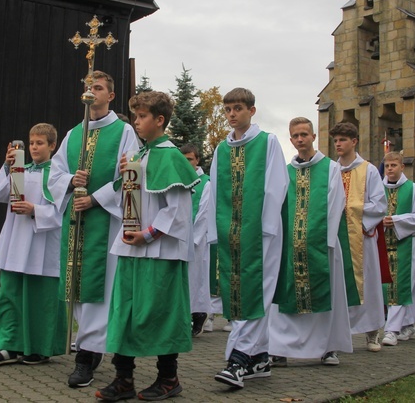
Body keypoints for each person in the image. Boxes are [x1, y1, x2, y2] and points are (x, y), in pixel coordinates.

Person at [96, 91, 199, 401]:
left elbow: (179, 212)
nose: (137, 122)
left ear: (160, 120)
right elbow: (124, 199)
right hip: (131, 249)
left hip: (160, 252)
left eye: (141, 117)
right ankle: (123, 378)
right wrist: (127, 173)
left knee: (159, 313)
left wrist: (148, 234)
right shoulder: (138, 156)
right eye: (136, 116)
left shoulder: (171, 157)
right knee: (124, 312)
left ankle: (169, 377)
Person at [48, 71, 139, 388]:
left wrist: (97, 199)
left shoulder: (124, 131)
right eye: (88, 87)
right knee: (77, 290)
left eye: (98, 88)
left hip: (106, 223)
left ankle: (86, 356)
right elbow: (55, 174)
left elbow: (131, 174)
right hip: (75, 223)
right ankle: (90, 346)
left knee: (100, 293)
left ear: (110, 96)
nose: (92, 92)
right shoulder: (73, 134)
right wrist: (71, 182)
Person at [209, 88, 289, 389]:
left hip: (261, 233)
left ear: (251, 111)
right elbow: (215, 189)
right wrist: (214, 229)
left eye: (238, 108)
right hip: (231, 231)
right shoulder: (221, 148)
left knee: (258, 290)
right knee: (238, 290)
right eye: (228, 109)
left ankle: (239, 359)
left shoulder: (267, 142)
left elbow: (276, 185)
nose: (232, 114)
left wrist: (264, 227)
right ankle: (258, 359)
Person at [269, 117, 351, 367]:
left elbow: (337, 204)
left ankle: (327, 348)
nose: (300, 139)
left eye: (304, 134)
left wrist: (321, 240)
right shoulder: (285, 171)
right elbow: (276, 205)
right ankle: (278, 347)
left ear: (314, 136)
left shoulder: (331, 168)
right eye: (295, 136)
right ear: (291, 139)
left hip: (320, 246)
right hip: (289, 247)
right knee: (284, 296)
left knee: (327, 294)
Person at [0, 124, 67, 366]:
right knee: (11, 294)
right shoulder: (20, 170)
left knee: (41, 298)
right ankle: (8, 345)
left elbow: (63, 212)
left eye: (40, 143)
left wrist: (34, 210)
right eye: (31, 144)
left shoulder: (59, 175)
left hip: (42, 243)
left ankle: (39, 348)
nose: (34, 148)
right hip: (15, 241)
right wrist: (7, 166)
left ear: (52, 146)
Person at [329, 122, 387, 352]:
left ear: (354, 142)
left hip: (360, 236)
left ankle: (372, 332)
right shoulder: (331, 169)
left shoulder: (368, 170)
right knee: (338, 282)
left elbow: (379, 204)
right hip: (336, 235)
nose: (338, 144)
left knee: (368, 283)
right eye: (335, 141)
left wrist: (352, 211)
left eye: (342, 140)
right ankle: (337, 334)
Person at [379, 152, 415, 347]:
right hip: (382, 244)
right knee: (391, 286)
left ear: (402, 167)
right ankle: (407, 325)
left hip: (405, 243)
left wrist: (397, 221)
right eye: (387, 165)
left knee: (400, 284)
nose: (390, 169)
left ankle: (391, 329)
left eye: (393, 165)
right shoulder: (378, 188)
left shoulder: (412, 188)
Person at [180, 144, 213, 337]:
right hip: (178, 238)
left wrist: (194, 239)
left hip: (196, 241)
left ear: (197, 160)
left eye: (190, 159)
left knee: (196, 278)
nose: (186, 163)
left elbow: (204, 213)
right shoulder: (179, 179)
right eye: (183, 159)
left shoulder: (205, 183)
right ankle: (189, 316)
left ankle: (197, 315)